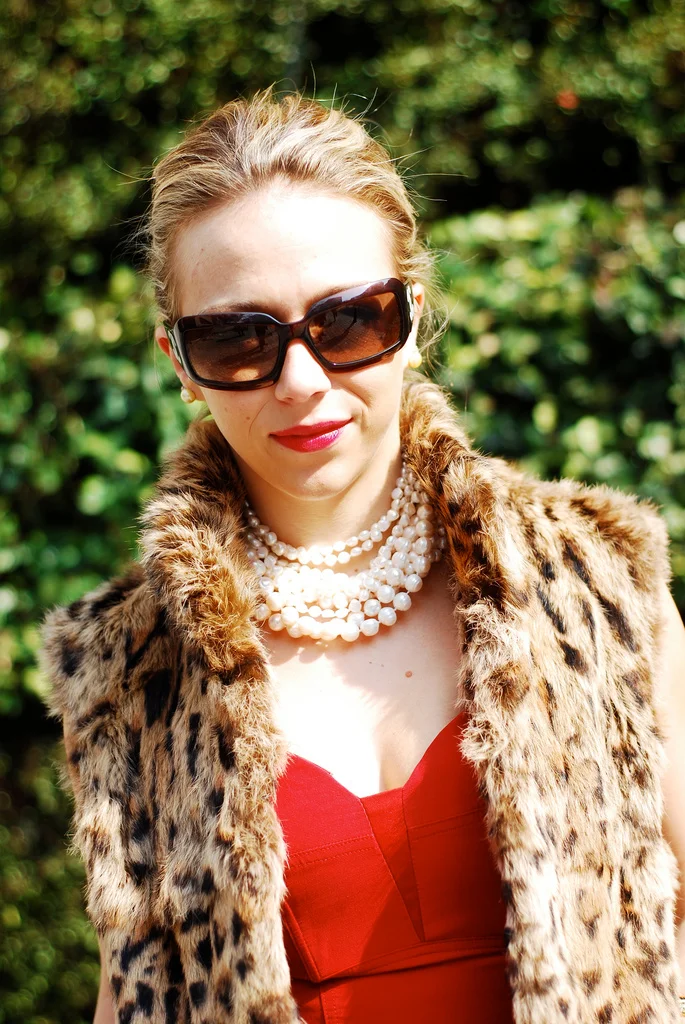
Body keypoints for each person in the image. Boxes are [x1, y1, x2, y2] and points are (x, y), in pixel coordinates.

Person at [40, 89, 685, 1024]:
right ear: (179, 361)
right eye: (236, 338)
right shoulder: (129, 668)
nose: (301, 381)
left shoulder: (593, 583)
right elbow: (136, 989)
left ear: (410, 318)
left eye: (347, 321)